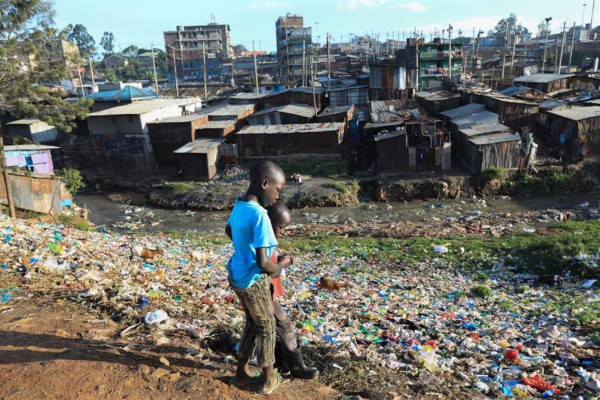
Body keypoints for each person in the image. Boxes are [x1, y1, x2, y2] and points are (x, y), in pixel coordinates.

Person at [225, 160, 287, 395]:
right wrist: (281, 265)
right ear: (264, 184)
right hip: (253, 281)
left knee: (252, 323)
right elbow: (264, 263)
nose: (277, 196)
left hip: (236, 275)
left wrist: (243, 249)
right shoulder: (261, 215)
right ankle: (268, 378)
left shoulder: (239, 205)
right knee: (267, 326)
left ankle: (241, 372)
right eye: (277, 190)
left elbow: (229, 230)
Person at [266, 201, 319, 379]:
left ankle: (266, 362)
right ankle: (297, 368)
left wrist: (279, 259)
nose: (281, 232)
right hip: (264, 292)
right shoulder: (263, 240)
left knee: (257, 327)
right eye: (279, 227)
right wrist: (283, 263)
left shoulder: (264, 238)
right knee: (284, 325)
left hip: (263, 290)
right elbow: (269, 269)